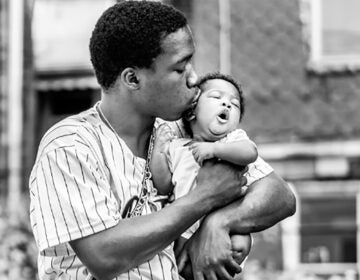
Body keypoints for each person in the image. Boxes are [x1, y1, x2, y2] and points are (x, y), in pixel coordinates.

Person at [28, 2, 296, 280]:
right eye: (180, 69)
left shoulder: (184, 129)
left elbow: (280, 196)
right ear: (132, 78)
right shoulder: (70, 146)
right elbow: (104, 256)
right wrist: (203, 198)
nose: (194, 78)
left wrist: (219, 222)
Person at [150, 72, 272, 276]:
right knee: (182, 263)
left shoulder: (231, 140)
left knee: (239, 244)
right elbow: (162, 183)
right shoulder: (177, 147)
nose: (226, 105)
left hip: (227, 221)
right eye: (217, 98)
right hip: (185, 223)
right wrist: (159, 151)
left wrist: (215, 150)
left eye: (234, 105)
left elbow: (250, 152)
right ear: (191, 113)